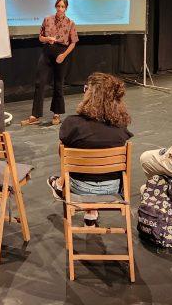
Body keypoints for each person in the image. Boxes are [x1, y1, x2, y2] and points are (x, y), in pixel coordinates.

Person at [46, 73, 133, 226]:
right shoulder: (120, 127)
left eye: (85, 89)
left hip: (80, 188)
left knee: (66, 150)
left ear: (90, 95)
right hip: (113, 188)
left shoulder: (73, 124)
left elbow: (63, 155)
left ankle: (60, 185)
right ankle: (91, 211)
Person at [22, 0, 79, 127]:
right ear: (55, 7)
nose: (60, 9)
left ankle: (56, 114)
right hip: (47, 52)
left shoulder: (70, 23)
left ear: (66, 8)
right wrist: (47, 39)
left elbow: (73, 43)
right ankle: (35, 115)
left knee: (58, 84)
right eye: (58, 6)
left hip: (61, 53)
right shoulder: (47, 19)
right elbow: (40, 37)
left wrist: (63, 55)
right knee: (39, 82)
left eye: (62, 6)